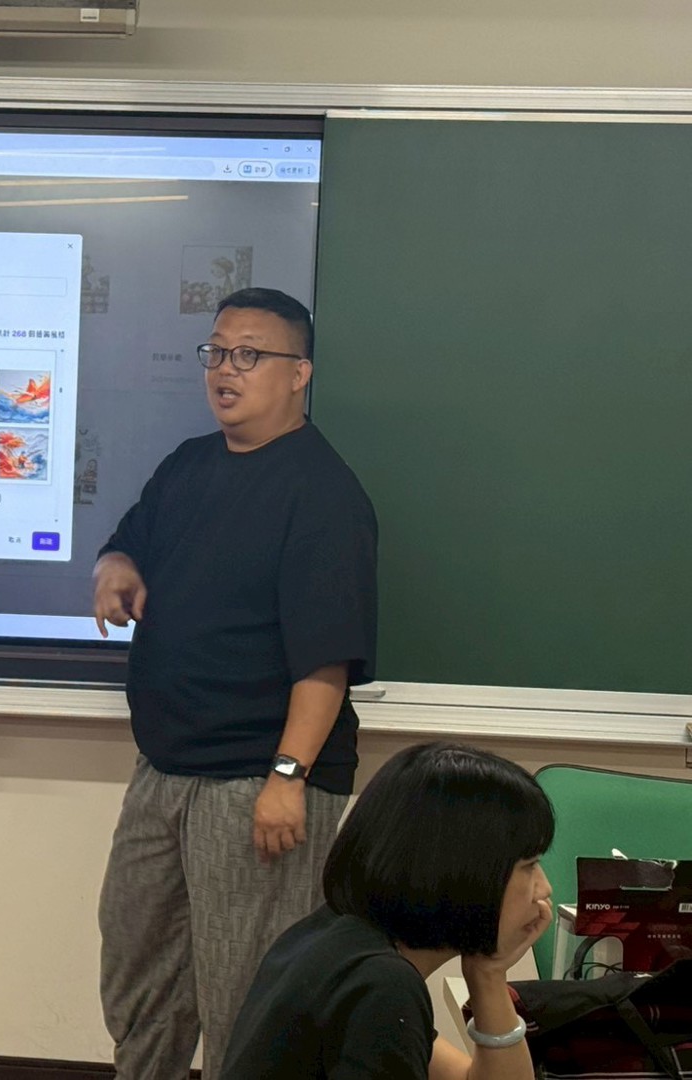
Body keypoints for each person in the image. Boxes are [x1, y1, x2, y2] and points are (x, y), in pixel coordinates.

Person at [93, 287, 377, 1079]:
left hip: (258, 781)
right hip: (165, 768)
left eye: (250, 355)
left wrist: (288, 776)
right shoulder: (189, 465)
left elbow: (326, 661)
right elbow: (127, 541)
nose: (226, 370)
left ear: (299, 373)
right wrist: (115, 566)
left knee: (244, 999)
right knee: (138, 975)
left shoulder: (323, 494)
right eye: (216, 352)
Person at [222, 741, 555, 1079]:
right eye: (529, 866)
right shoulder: (380, 986)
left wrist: (488, 975)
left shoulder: (332, 937)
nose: (544, 889)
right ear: (462, 870)